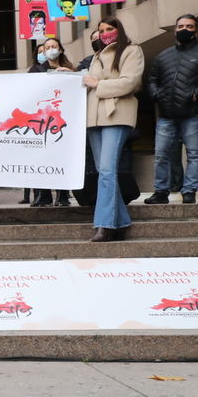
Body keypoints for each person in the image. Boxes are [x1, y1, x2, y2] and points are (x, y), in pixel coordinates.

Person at [144, 14, 198, 205]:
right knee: (161, 154)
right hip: (166, 115)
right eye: (180, 26)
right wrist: (156, 95)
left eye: (189, 26)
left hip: (193, 113)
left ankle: (189, 191)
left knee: (194, 154)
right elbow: (152, 79)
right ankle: (161, 192)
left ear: (196, 29)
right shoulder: (164, 55)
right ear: (174, 29)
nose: (184, 29)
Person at [83, 18, 144, 242]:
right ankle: (120, 221)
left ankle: (105, 225)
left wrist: (97, 84)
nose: (105, 33)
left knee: (107, 170)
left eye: (110, 29)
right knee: (103, 171)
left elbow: (130, 82)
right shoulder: (97, 56)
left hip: (117, 114)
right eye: (101, 30)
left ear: (119, 29)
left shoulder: (131, 51)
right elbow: (89, 82)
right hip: (94, 117)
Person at [27, 39, 75, 207]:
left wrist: (70, 74)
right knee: (43, 158)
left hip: (64, 120)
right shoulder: (36, 70)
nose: (50, 50)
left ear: (61, 49)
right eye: (47, 48)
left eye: (54, 47)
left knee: (63, 157)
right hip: (43, 121)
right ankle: (43, 194)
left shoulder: (70, 68)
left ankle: (63, 195)